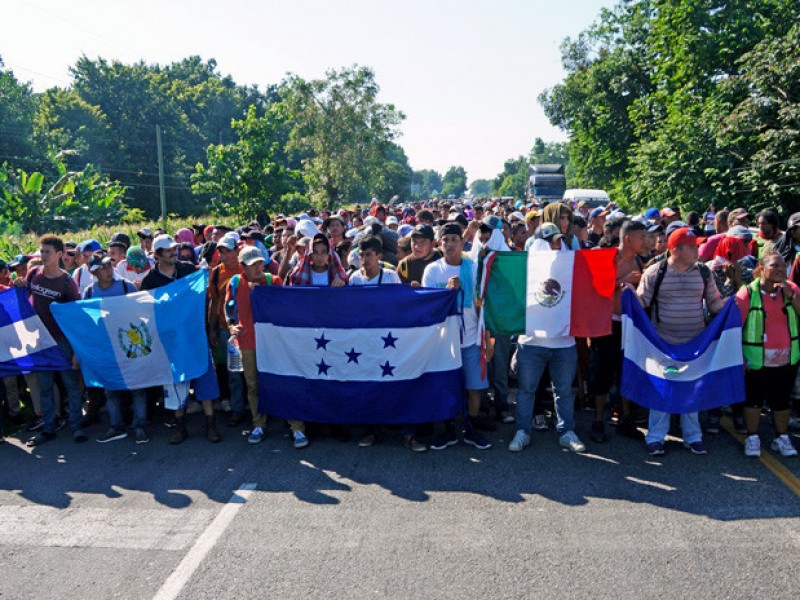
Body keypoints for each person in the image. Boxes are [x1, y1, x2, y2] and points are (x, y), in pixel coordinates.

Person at [637, 227, 726, 456]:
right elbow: (642, 302)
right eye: (693, 246)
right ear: (676, 250)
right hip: (662, 344)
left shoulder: (704, 273)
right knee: (662, 389)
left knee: (691, 390)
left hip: (695, 344)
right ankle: (655, 437)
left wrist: (736, 301)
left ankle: (693, 437)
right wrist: (625, 293)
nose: (698, 249)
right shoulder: (655, 272)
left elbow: (714, 304)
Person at [507, 224, 586, 454]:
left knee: (563, 390)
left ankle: (567, 431)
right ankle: (522, 431)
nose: (555, 245)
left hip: (564, 342)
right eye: (550, 241)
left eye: (558, 240)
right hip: (531, 343)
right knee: (526, 390)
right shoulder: (525, 269)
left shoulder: (570, 266)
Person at [141, 234, 221, 444]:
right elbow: (146, 311)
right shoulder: (150, 281)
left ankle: (210, 426)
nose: (173, 252)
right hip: (171, 341)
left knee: (204, 378)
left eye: (174, 248)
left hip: (195, 335)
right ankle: (180, 427)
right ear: (157, 255)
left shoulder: (187, 270)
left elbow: (205, 290)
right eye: (168, 250)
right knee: (176, 383)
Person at [423, 223, 494, 451]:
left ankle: (471, 430)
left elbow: (484, 304)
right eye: (446, 240)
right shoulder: (432, 270)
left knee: (474, 388)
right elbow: (428, 307)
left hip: (472, 338)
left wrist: (488, 339)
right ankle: (448, 430)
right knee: (447, 386)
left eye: (455, 239)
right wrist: (446, 291)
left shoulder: (473, 268)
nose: (450, 244)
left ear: (462, 243)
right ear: (439, 244)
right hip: (444, 342)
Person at [17, 235, 85, 446]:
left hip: (62, 340)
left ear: (59, 255)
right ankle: (48, 428)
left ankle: (76, 427)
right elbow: (23, 299)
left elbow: (76, 318)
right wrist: (19, 286)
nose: (43, 255)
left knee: (71, 385)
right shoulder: (33, 274)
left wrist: (76, 350)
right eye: (42, 251)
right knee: (45, 386)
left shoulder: (67, 283)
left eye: (47, 252)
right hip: (39, 341)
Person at [735, 253, 799, 457]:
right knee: (754, 400)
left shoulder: (791, 289)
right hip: (756, 358)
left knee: (781, 400)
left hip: (787, 358)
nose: (781, 269)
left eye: (783, 266)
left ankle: (781, 438)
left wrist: (792, 296)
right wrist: (739, 356)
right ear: (761, 268)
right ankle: (752, 437)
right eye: (775, 265)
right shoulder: (747, 293)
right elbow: (735, 327)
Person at [82, 252, 149, 444]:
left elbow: (139, 313)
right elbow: (87, 322)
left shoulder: (126, 286)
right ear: (93, 271)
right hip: (105, 348)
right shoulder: (88, 292)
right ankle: (116, 426)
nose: (108, 270)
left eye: (109, 266)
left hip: (129, 344)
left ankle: (140, 426)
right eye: (102, 267)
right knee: (111, 388)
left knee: (137, 387)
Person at [589, 219, 647, 443]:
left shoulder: (641, 262)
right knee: (601, 373)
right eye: (641, 237)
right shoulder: (608, 257)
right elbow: (596, 289)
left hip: (630, 325)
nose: (645, 241)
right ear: (628, 239)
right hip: (606, 324)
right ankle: (597, 420)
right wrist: (622, 281)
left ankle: (626, 419)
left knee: (626, 371)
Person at [226, 246, 283, 444]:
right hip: (247, 342)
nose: (259, 267)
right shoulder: (234, 283)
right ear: (243, 267)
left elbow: (284, 309)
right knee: (252, 385)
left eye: (260, 262)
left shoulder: (273, 281)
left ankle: (296, 426)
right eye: (253, 264)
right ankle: (259, 424)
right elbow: (229, 310)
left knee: (281, 381)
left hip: (272, 343)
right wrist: (231, 327)